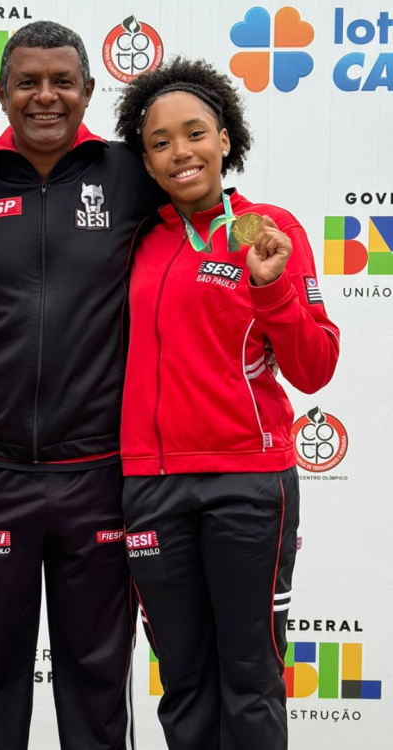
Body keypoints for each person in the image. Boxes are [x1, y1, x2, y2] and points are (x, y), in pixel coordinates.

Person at [0, 20, 160, 750]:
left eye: (62, 81)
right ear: (0, 92)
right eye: (27, 82)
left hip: (99, 475)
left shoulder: (131, 174)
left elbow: (209, 232)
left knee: (98, 679)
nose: (45, 96)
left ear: (89, 90)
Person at [115, 58, 340, 750]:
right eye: (160, 142)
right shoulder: (134, 240)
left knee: (250, 677)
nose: (180, 152)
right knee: (182, 681)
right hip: (149, 486)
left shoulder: (268, 230)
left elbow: (315, 367)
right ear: (145, 161)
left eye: (195, 134)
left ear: (225, 140)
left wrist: (270, 288)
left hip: (246, 482)